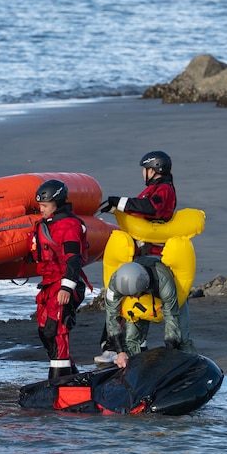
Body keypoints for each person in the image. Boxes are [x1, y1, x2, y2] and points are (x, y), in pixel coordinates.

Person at [95, 150, 177, 363]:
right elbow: (140, 211)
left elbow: (151, 209)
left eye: (145, 169)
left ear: (154, 170)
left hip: (151, 257)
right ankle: (132, 346)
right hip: (143, 254)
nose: (143, 173)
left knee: (129, 295)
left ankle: (116, 347)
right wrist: (116, 208)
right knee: (136, 299)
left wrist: (119, 202)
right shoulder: (156, 189)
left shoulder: (164, 190)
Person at [29, 179, 89, 379]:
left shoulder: (69, 226)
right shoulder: (46, 224)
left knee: (56, 330)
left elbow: (74, 258)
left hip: (64, 284)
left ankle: (59, 378)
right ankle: (70, 372)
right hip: (48, 284)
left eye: (45, 205)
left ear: (57, 203)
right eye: (40, 205)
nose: (41, 209)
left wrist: (67, 287)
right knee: (45, 331)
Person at [102, 259, 195, 369]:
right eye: (128, 295)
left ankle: (192, 367)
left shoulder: (164, 282)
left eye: (133, 294)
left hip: (171, 300)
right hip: (140, 302)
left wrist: (170, 350)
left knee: (182, 338)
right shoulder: (116, 281)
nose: (131, 297)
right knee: (131, 341)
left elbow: (171, 317)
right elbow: (111, 315)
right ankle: (133, 371)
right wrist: (120, 351)